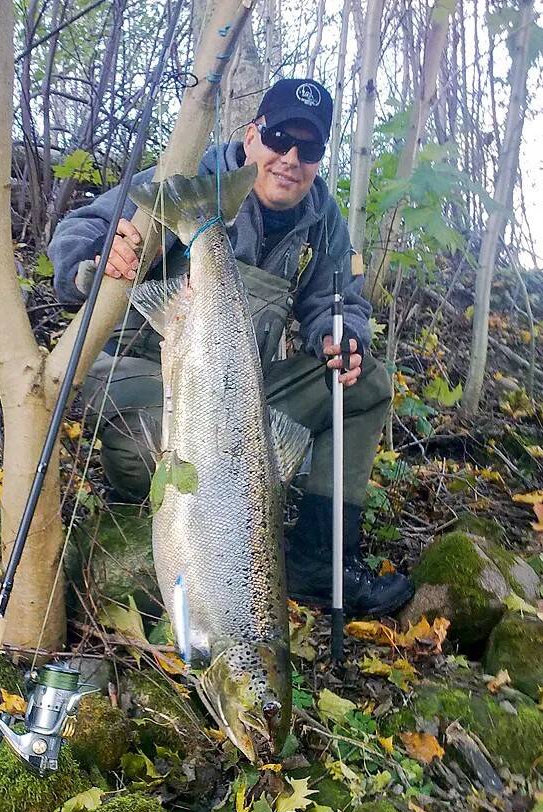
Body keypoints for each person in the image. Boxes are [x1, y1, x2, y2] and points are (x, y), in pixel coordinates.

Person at [48, 77, 413, 617]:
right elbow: (79, 230)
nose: (290, 158)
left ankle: (319, 559)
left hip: (236, 391)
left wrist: (340, 333)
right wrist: (99, 260)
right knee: (143, 458)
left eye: (308, 148)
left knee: (365, 384)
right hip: (146, 376)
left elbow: (337, 301)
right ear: (251, 135)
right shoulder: (186, 181)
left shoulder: (322, 219)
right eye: (279, 139)